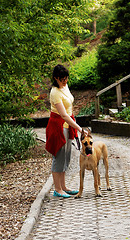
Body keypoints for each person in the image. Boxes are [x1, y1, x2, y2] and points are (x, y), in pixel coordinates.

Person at [46, 64, 87, 198]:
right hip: (58, 126)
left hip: (68, 126)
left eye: (66, 78)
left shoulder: (65, 87)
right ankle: (57, 189)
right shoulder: (54, 92)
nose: (65, 81)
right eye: (62, 79)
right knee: (59, 156)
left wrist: (74, 126)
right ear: (55, 78)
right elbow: (63, 115)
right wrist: (80, 129)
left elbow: (69, 109)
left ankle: (64, 187)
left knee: (66, 156)